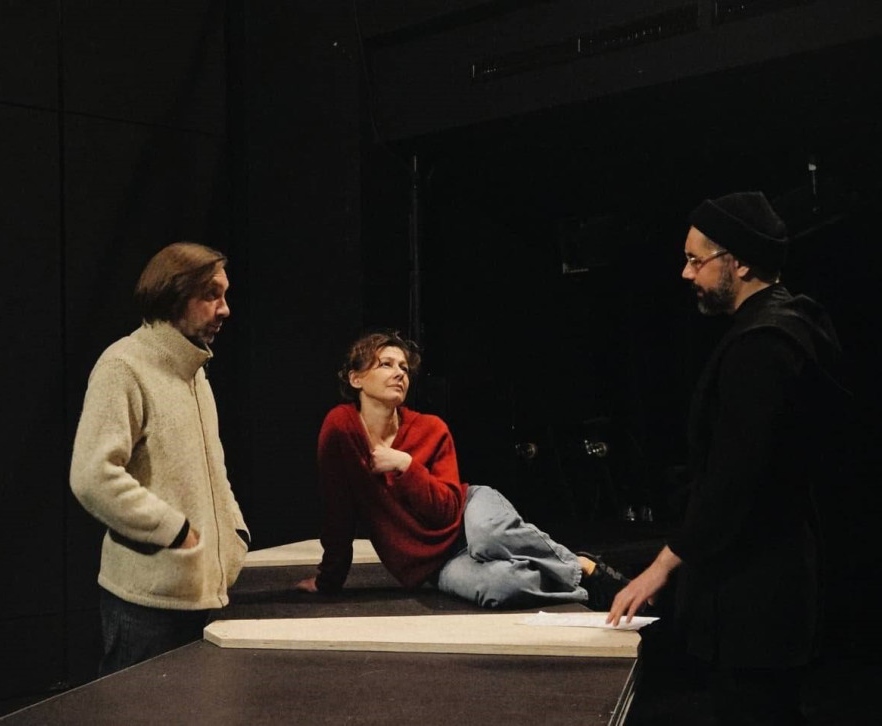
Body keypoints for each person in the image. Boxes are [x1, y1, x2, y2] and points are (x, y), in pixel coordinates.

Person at [607, 192, 848, 724]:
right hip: (773, 582)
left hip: (759, 590)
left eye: (697, 260)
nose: (686, 273)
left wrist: (661, 567)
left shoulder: (764, 345)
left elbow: (735, 478)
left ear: (738, 262)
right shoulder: (789, 324)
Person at [295, 330, 628, 610]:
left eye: (404, 368)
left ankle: (582, 567)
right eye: (386, 364)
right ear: (355, 378)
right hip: (435, 563)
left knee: (487, 537)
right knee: (500, 586)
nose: (399, 373)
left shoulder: (431, 428)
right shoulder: (340, 428)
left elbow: (446, 510)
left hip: (467, 511)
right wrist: (329, 581)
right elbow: (337, 510)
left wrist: (406, 466)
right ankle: (581, 589)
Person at [70, 242, 250, 676]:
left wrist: (234, 534)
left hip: (202, 593)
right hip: (146, 604)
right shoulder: (124, 366)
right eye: (211, 295)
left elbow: (214, 469)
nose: (224, 309)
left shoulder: (195, 372)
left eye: (225, 295)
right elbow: (93, 475)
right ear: (173, 296)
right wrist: (175, 531)